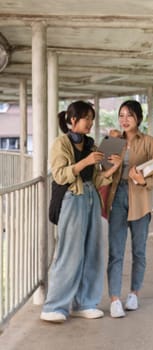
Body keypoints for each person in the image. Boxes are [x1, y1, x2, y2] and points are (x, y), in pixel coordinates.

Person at [40, 100, 122, 323]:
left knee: (93, 251)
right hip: (71, 199)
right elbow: (59, 175)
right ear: (72, 119)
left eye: (92, 120)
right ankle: (54, 305)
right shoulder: (61, 143)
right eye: (87, 118)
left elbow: (96, 179)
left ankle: (85, 302)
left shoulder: (90, 144)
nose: (90, 123)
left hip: (91, 198)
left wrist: (112, 168)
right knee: (70, 252)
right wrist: (85, 161)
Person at [105, 100, 153, 318]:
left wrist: (142, 181)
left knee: (139, 250)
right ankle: (114, 298)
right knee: (115, 251)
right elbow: (103, 168)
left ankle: (134, 294)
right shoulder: (114, 140)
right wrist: (109, 146)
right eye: (121, 115)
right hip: (118, 196)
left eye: (129, 115)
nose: (124, 119)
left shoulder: (149, 142)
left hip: (141, 198)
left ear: (138, 118)